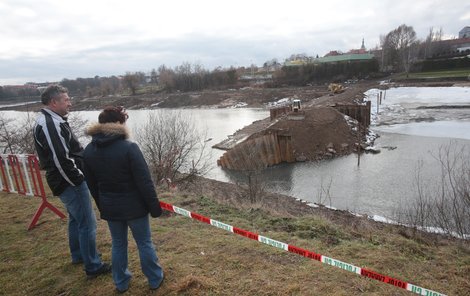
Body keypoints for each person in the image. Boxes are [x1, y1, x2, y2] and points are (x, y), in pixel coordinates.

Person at [83, 106, 164, 293]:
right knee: (144, 242)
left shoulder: (88, 151)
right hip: (135, 207)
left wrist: (102, 205)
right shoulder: (129, 148)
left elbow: (92, 184)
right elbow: (145, 182)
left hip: (110, 207)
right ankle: (154, 278)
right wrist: (155, 207)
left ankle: (120, 282)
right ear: (119, 124)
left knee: (118, 244)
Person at [33, 84, 111, 279]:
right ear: (54, 102)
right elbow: (61, 160)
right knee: (87, 222)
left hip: (65, 181)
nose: (70, 103)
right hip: (69, 182)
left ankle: (79, 255)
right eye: (66, 100)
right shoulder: (51, 125)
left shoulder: (52, 120)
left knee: (76, 219)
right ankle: (92, 265)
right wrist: (78, 179)